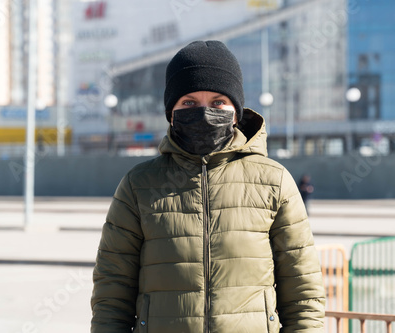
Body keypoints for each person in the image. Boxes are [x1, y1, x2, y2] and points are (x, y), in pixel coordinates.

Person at [91, 40, 325, 332]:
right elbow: (112, 292)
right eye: (189, 103)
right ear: (171, 112)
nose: (204, 112)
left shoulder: (273, 181)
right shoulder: (139, 185)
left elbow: (303, 294)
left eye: (218, 102)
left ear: (236, 112)